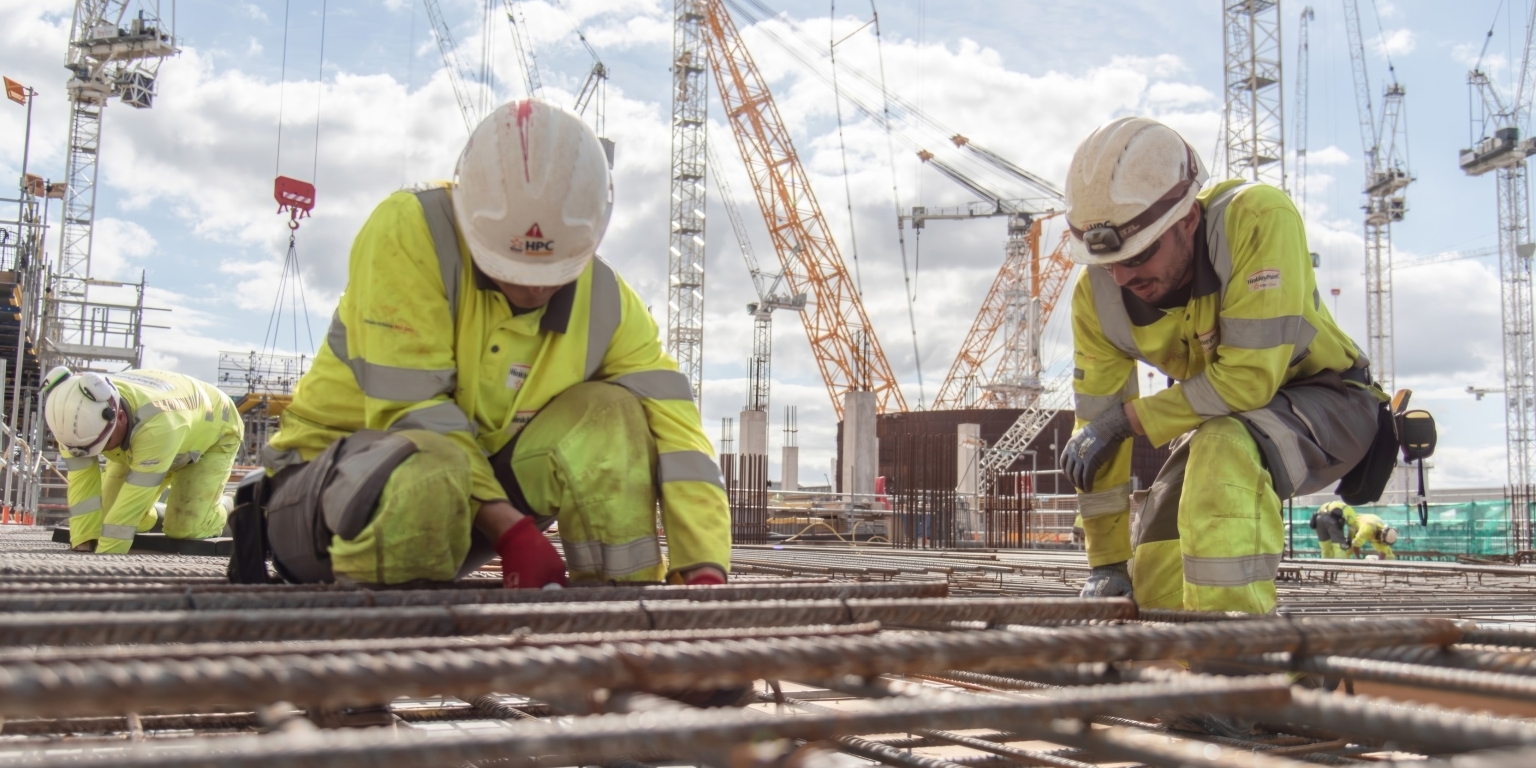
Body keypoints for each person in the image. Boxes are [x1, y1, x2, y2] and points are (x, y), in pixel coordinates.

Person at [246, 99, 730, 589]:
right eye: (511, 270)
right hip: (328, 504)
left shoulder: (607, 303)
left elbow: (679, 434)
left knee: (610, 415)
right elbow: (413, 414)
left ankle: (621, 621)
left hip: (467, 517)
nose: (534, 291)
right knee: (430, 468)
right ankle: (388, 651)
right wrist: (513, 532)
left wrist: (704, 562)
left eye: (553, 275)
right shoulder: (411, 232)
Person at [1059, 116, 1385, 614]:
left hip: (1332, 402)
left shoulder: (1255, 221)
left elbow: (1247, 381)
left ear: (1187, 219)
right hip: (1218, 421)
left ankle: (1240, 664)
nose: (1124, 277)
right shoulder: (1098, 299)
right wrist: (1105, 563)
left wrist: (1125, 421)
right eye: (1109, 263)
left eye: (1140, 254)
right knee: (1158, 571)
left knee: (1222, 446)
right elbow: (1096, 440)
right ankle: (1266, 670)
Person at [42, 367, 243, 554]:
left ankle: (234, 505)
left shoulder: (157, 424)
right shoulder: (72, 426)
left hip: (212, 437)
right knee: (105, 517)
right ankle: (167, 510)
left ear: (119, 416)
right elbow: (82, 484)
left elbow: (127, 512)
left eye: (105, 443)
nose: (101, 451)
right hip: (153, 440)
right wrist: (82, 539)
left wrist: (105, 557)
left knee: (185, 528)